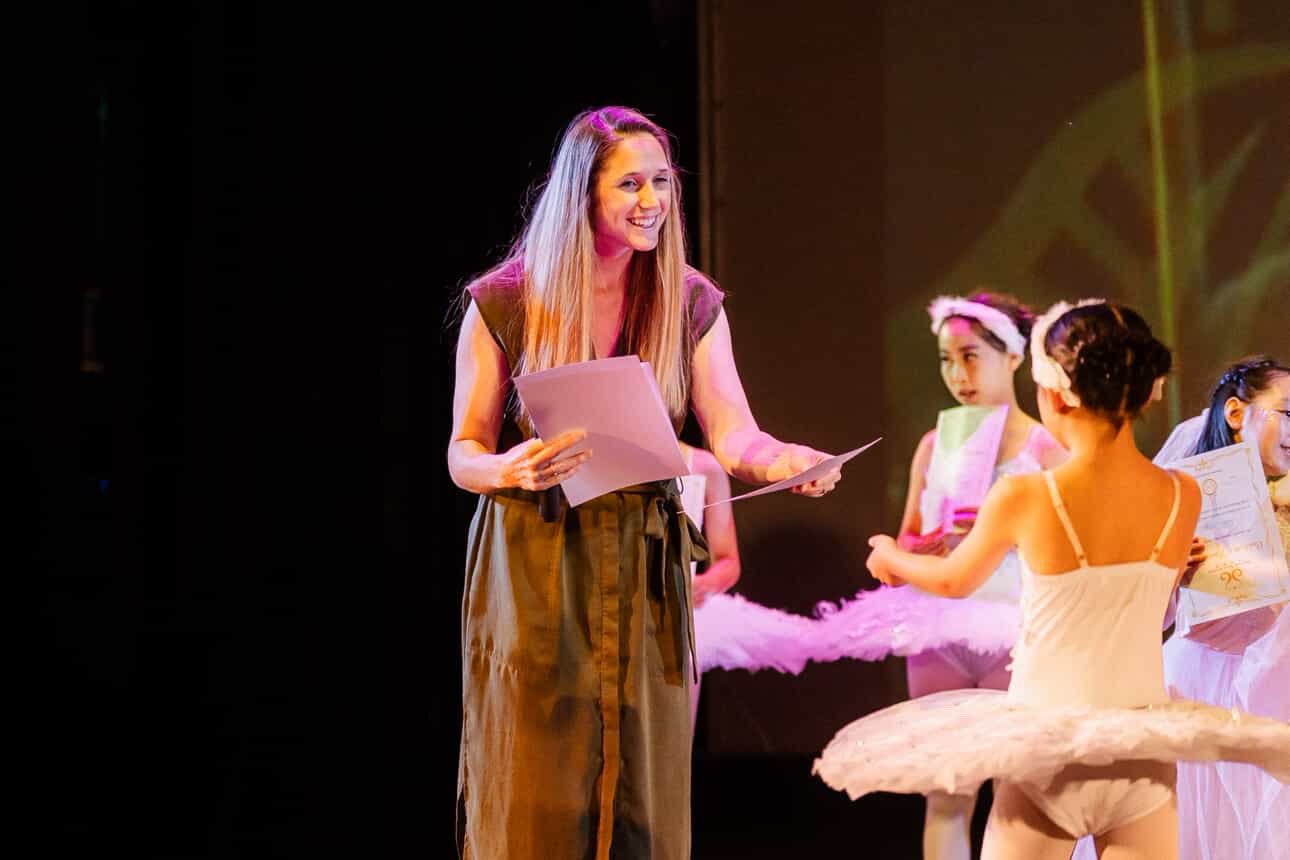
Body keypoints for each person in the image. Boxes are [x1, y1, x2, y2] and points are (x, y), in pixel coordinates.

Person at [449, 106, 840, 860]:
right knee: (536, 777)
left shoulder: (689, 299)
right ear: (582, 194)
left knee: (641, 789)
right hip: (535, 554)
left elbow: (733, 432)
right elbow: (463, 450)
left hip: (642, 556)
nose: (651, 200)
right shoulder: (506, 298)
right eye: (630, 183)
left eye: (661, 182)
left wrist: (783, 458)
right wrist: (506, 467)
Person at [814, 301, 1290, 859]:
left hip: (1049, 755)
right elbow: (1160, 608)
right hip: (1139, 752)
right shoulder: (1183, 495)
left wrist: (892, 557)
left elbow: (949, 580)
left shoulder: (1026, 494)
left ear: (1054, 394)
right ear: (1146, 394)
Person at [819, 293, 1066, 860]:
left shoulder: (1047, 449)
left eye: (971, 356)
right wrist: (924, 545)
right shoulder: (935, 446)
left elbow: (1069, 553)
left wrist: (1001, 526)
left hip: (1016, 633)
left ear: (1012, 357)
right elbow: (909, 542)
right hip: (941, 633)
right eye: (946, 360)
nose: (958, 375)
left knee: (1017, 793)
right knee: (946, 795)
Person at [1156, 357, 1289, 860]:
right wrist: (1172, 568)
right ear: (1236, 412)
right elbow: (1152, 616)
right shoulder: (1184, 493)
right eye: (1288, 412)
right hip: (1202, 684)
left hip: (1279, 686)